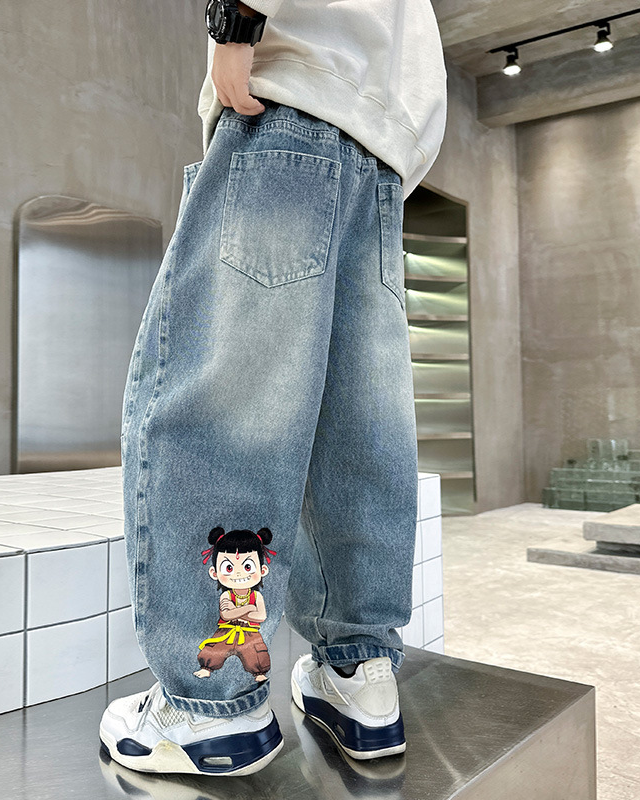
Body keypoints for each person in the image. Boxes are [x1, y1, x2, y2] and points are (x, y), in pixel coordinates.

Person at [99, 0, 447, 777]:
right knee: (356, 429)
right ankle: (358, 676)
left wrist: (235, 24)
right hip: (381, 152)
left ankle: (210, 704)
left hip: (288, 109)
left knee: (224, 406)